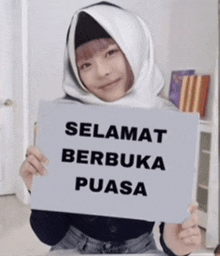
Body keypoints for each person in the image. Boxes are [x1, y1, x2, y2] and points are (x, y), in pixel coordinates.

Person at [20, 2, 201, 255]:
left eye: (111, 52)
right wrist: (38, 192)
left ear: (134, 47)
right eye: (85, 65)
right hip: (74, 245)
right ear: (75, 70)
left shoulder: (166, 122)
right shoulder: (63, 125)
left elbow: (171, 234)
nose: (102, 72)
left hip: (141, 247)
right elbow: (50, 235)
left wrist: (177, 245)